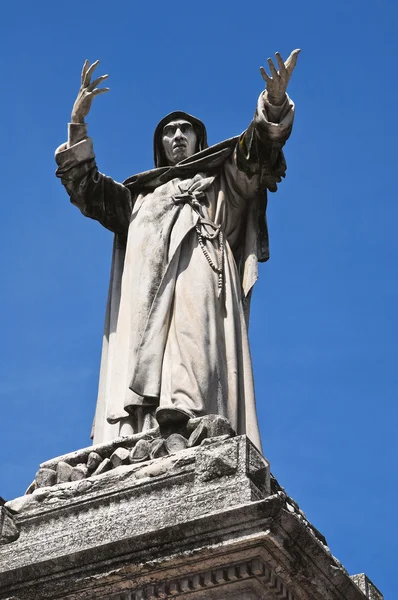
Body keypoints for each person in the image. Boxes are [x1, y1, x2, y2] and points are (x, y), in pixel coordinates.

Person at [55, 50, 300, 449]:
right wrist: (78, 126)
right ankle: (144, 430)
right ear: (160, 146)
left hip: (200, 269)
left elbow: (255, 153)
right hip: (145, 293)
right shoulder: (139, 197)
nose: (177, 136)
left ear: (199, 140)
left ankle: (194, 419)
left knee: (193, 340)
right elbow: (89, 191)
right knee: (147, 353)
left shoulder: (221, 179)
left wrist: (273, 106)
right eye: (168, 132)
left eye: (185, 130)